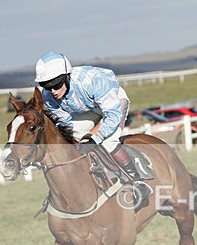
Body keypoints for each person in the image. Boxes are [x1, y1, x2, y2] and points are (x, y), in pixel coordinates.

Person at [34, 51, 152, 208]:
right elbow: (65, 123)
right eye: (46, 86)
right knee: (71, 142)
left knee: (108, 141)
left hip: (113, 105)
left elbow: (112, 115)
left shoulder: (93, 81)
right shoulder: (48, 97)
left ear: (67, 76)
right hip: (87, 110)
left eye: (56, 84)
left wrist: (95, 138)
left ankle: (138, 181)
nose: (53, 91)